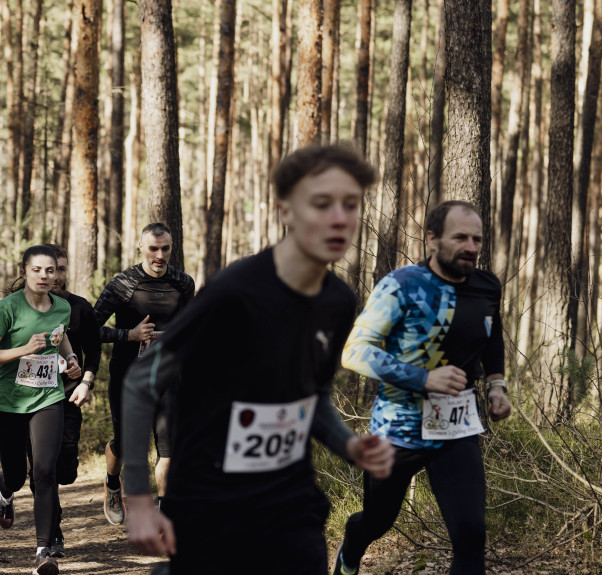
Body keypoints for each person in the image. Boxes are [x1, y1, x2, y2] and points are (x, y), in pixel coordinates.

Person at [122, 144, 396, 574]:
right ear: (285, 212)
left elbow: (313, 396)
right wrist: (138, 497)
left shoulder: (339, 301)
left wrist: (348, 444)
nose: (339, 218)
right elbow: (142, 380)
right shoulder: (235, 291)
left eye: (351, 204)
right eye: (321, 204)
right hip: (211, 496)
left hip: (290, 496)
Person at [333, 200, 511, 575]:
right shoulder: (402, 285)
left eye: (477, 239)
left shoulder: (486, 286)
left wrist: (497, 385)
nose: (471, 247)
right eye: (460, 237)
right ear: (432, 238)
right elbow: (354, 352)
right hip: (399, 430)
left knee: (470, 534)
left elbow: (492, 339)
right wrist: (424, 379)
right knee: (377, 523)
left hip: (456, 428)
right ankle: (352, 546)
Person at [0, 245, 82, 575]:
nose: (44, 276)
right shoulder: (6, 309)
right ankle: (5, 489)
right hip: (9, 402)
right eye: (37, 270)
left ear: (57, 275)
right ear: (25, 271)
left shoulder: (62, 306)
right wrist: (24, 349)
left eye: (50, 270)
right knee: (16, 475)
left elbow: (59, 337)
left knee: (45, 471)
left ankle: (43, 552)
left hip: (47, 399)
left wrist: (71, 359)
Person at [93, 222, 195, 524]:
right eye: (153, 248)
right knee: (124, 442)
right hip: (128, 376)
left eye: (165, 248)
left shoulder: (184, 283)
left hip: (167, 378)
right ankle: (113, 483)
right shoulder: (122, 284)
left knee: (168, 447)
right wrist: (130, 335)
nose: (160, 255)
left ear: (172, 247)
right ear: (141, 248)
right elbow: (91, 330)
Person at [22, 244, 100, 558]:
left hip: (68, 395)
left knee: (65, 471)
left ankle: (51, 524)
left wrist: (86, 382)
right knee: (43, 470)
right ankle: (52, 534)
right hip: (31, 399)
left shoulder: (78, 308)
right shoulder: (21, 306)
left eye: (61, 269)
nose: (55, 276)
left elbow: (93, 350)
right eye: (49, 269)